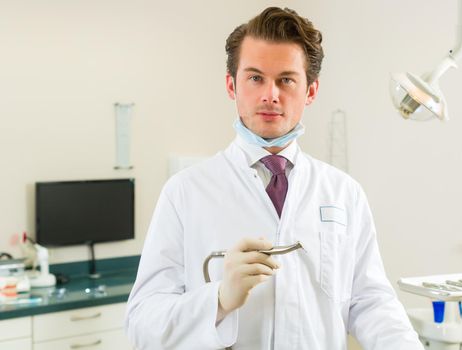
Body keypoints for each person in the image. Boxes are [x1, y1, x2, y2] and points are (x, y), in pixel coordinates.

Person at [125, 7, 424, 350]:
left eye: (286, 80)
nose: (270, 95)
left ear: (310, 91)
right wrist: (219, 299)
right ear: (231, 85)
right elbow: (142, 324)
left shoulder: (343, 193)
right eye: (255, 78)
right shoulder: (185, 192)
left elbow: (371, 302)